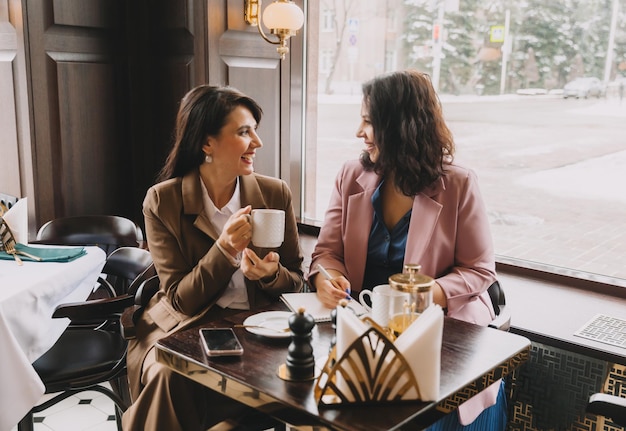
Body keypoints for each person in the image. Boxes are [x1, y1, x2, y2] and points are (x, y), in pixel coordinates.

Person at [308, 70, 505, 430]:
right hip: (363, 330)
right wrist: (329, 278)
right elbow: (327, 253)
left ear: (400, 126)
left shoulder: (457, 183)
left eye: (369, 121)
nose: (359, 132)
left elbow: (479, 269)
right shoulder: (351, 175)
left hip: (439, 331)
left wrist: (429, 293)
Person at [123, 85, 304, 431]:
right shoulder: (163, 202)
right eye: (243, 132)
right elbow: (180, 300)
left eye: (255, 130)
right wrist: (223, 250)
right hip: (188, 327)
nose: (257, 142)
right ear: (207, 143)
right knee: (169, 374)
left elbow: (298, 283)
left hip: (258, 329)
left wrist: (270, 274)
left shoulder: (274, 193)